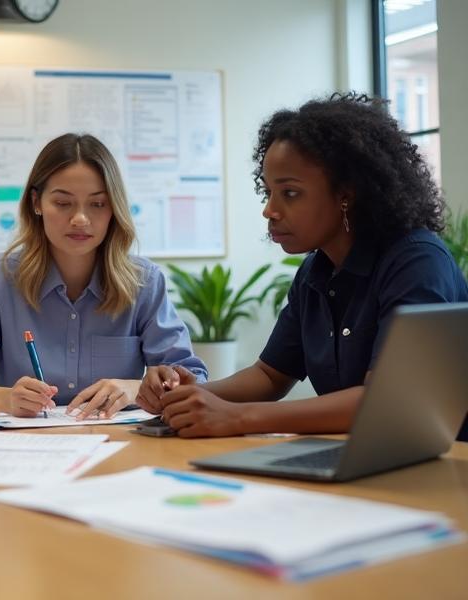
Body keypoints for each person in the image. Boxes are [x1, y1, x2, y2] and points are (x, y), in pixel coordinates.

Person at [137, 92, 468, 439]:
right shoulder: (315, 270)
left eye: (290, 193)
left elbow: (386, 402)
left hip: (444, 469)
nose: (269, 210)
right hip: (362, 458)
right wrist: (190, 395)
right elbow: (269, 376)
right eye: (268, 192)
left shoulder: (416, 261)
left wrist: (239, 418)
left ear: (346, 194)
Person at [0, 133, 207, 420]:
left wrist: (134, 388)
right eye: (63, 203)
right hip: (23, 449)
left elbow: (192, 379)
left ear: (114, 210)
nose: (80, 219)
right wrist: (5, 398)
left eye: (97, 204)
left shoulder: (143, 282)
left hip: (118, 442)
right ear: (37, 203)